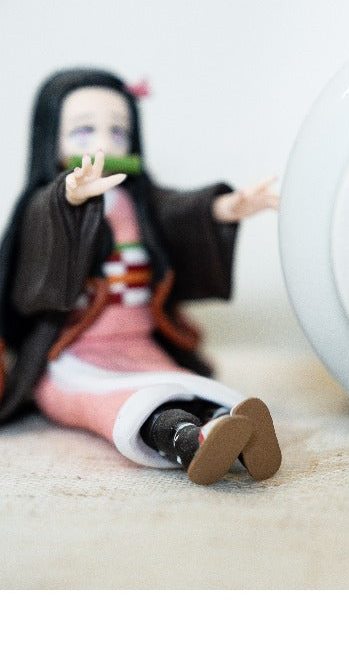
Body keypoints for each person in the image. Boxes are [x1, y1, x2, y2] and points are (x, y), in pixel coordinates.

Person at [0, 68, 282, 485]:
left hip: (138, 344)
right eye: (83, 131)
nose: (103, 142)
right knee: (123, 404)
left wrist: (222, 209)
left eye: (118, 131)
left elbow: (179, 211)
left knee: (180, 385)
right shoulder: (47, 206)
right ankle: (188, 441)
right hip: (73, 352)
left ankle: (232, 427)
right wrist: (69, 198)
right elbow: (44, 235)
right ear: (50, 138)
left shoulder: (139, 202)